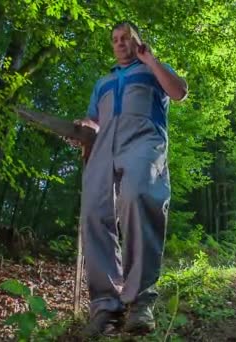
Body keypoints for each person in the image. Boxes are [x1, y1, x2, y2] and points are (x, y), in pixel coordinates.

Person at [76, 21, 188, 337]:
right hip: (103, 147)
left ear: (137, 41)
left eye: (126, 38)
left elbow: (179, 92)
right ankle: (105, 306)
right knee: (93, 215)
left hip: (143, 141)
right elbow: (94, 121)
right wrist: (84, 126)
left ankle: (140, 302)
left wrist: (150, 59)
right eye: (115, 39)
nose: (120, 43)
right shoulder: (104, 82)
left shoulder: (152, 69)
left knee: (138, 196)